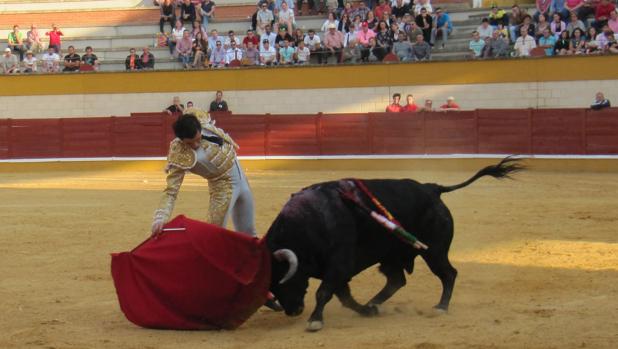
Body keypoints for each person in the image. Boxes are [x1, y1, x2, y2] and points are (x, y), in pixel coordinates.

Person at [151, 110, 256, 238]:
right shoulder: (179, 154)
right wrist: (160, 217)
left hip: (242, 179)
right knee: (214, 236)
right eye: (189, 143)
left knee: (249, 232)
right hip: (222, 189)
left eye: (198, 139)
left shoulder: (199, 117)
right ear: (181, 140)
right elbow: (171, 191)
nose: (195, 145)